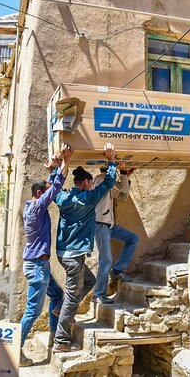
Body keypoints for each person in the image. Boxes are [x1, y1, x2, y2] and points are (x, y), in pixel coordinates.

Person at [53, 143, 117, 352]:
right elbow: (108, 182)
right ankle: (62, 341)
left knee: (88, 281)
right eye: (91, 182)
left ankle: (59, 309)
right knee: (72, 299)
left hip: (64, 254)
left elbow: (54, 185)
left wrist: (58, 165)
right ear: (87, 183)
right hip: (74, 256)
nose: (92, 185)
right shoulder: (88, 198)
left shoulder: (62, 197)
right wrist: (111, 160)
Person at [18, 144, 73, 366]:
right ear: (39, 194)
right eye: (45, 193)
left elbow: (49, 186)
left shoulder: (29, 207)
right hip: (38, 268)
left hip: (36, 265)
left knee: (58, 296)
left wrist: (52, 167)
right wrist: (66, 162)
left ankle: (53, 336)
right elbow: (55, 187)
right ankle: (15, 350)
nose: (48, 196)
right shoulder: (39, 207)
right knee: (32, 312)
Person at [92, 162, 138, 304]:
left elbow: (123, 196)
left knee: (132, 239)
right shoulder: (101, 179)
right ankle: (98, 295)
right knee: (105, 259)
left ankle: (118, 269)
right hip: (101, 224)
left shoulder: (108, 183)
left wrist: (126, 177)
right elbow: (122, 188)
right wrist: (123, 173)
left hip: (109, 225)